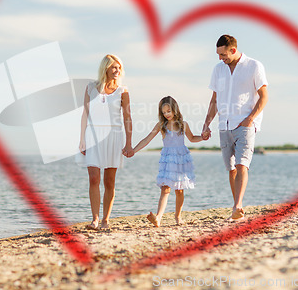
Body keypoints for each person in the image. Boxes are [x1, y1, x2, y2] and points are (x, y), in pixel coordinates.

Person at [202, 35, 268, 221]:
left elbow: (264, 96)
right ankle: (236, 207)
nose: (220, 58)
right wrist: (206, 124)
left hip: (244, 124)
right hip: (224, 125)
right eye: (218, 55)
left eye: (223, 54)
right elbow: (214, 100)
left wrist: (250, 119)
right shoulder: (218, 70)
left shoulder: (254, 66)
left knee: (242, 165)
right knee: (231, 168)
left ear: (233, 50)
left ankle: (238, 205)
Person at [130, 96, 206, 227]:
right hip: (168, 159)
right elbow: (146, 140)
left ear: (175, 109)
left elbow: (192, 138)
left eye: (168, 111)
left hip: (181, 159)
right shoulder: (161, 125)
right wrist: (133, 150)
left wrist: (203, 137)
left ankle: (178, 217)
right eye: (164, 112)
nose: (166, 114)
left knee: (179, 190)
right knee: (165, 189)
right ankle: (158, 218)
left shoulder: (183, 124)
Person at [78, 54, 133, 230]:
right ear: (106, 68)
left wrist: (129, 142)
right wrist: (81, 140)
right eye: (113, 67)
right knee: (93, 178)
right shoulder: (90, 88)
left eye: (119, 68)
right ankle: (94, 219)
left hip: (114, 136)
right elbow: (85, 114)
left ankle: (105, 220)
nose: (117, 71)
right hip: (93, 136)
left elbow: (127, 118)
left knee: (110, 181)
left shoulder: (123, 91)